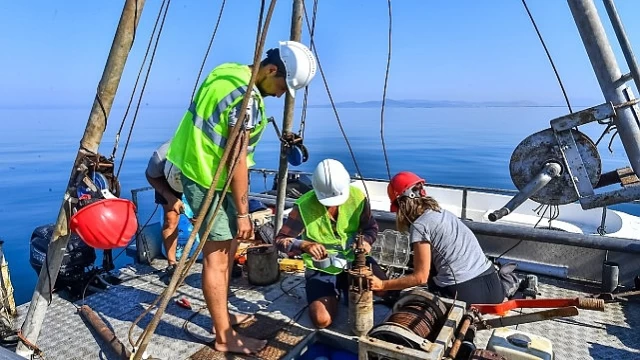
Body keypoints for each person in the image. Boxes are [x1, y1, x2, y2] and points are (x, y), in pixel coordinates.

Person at [166, 41, 317, 355]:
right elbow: (235, 158)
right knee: (218, 261)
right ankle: (223, 337)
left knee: (229, 251)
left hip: (206, 171)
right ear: (271, 70)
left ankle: (223, 315)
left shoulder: (230, 72)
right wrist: (244, 213)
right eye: (281, 87)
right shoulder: (244, 99)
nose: (280, 95)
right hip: (210, 179)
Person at [275, 159, 389, 329]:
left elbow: (370, 228)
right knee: (322, 320)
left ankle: (344, 287)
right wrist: (304, 245)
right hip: (322, 269)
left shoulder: (357, 197)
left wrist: (366, 242)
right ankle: (331, 293)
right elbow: (280, 240)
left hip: (356, 262)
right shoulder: (304, 206)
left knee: (385, 289)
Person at [369, 171, 506, 306]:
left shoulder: (420, 225)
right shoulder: (442, 213)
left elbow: (420, 277)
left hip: (467, 294)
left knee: (416, 296)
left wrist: (382, 284)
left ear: (401, 205)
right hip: (495, 289)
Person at [145, 139, 184, 276]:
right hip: (167, 178)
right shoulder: (159, 158)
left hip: (199, 174)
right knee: (171, 218)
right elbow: (150, 176)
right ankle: (172, 264)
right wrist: (171, 198)